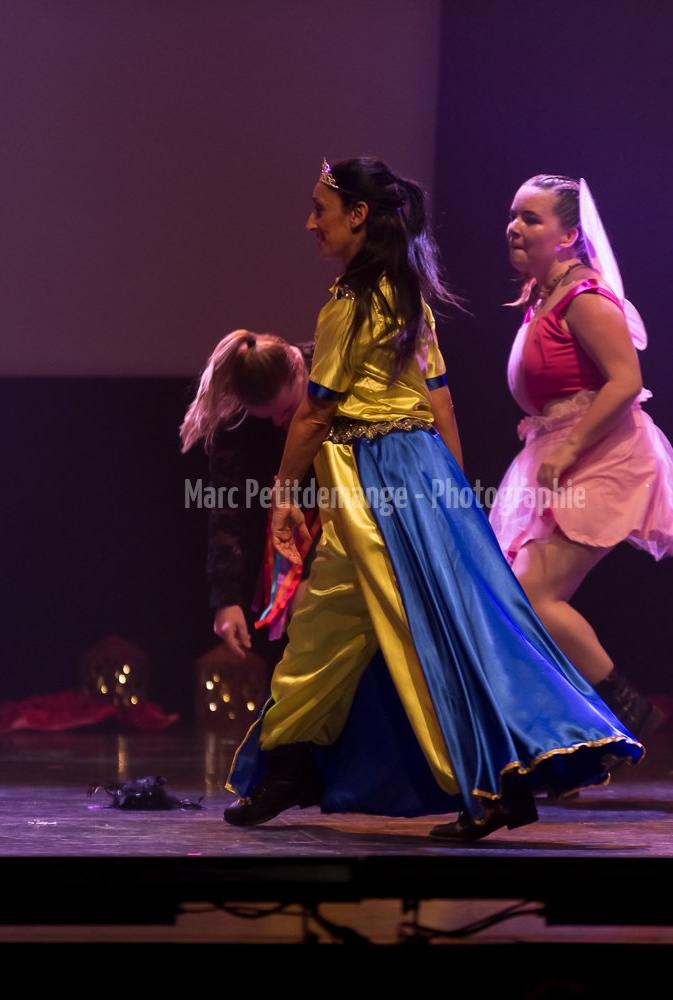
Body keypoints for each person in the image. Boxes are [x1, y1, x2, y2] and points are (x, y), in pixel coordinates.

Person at [224, 157, 639, 842]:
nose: (311, 223)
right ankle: (291, 764)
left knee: (422, 629)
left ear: (359, 215)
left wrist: (284, 495)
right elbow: (440, 399)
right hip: (412, 469)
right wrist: (452, 494)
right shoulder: (405, 293)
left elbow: (315, 413)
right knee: (335, 622)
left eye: (321, 209)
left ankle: (490, 783)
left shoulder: (352, 302)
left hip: (375, 473)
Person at [489, 175, 673, 741]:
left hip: (602, 454)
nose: (514, 227)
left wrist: (569, 448)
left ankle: (629, 710)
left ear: (568, 236)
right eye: (513, 216)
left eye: (531, 218)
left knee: (531, 596)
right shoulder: (544, 296)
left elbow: (626, 381)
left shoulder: (583, 296)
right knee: (517, 600)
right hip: (560, 451)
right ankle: (568, 730)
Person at [179, 330, 315, 665]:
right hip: (290, 534)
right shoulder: (235, 420)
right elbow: (226, 506)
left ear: (299, 366)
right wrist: (225, 598)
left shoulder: (334, 375)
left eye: (286, 409)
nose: (279, 421)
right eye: (267, 416)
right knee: (303, 625)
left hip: (354, 515)